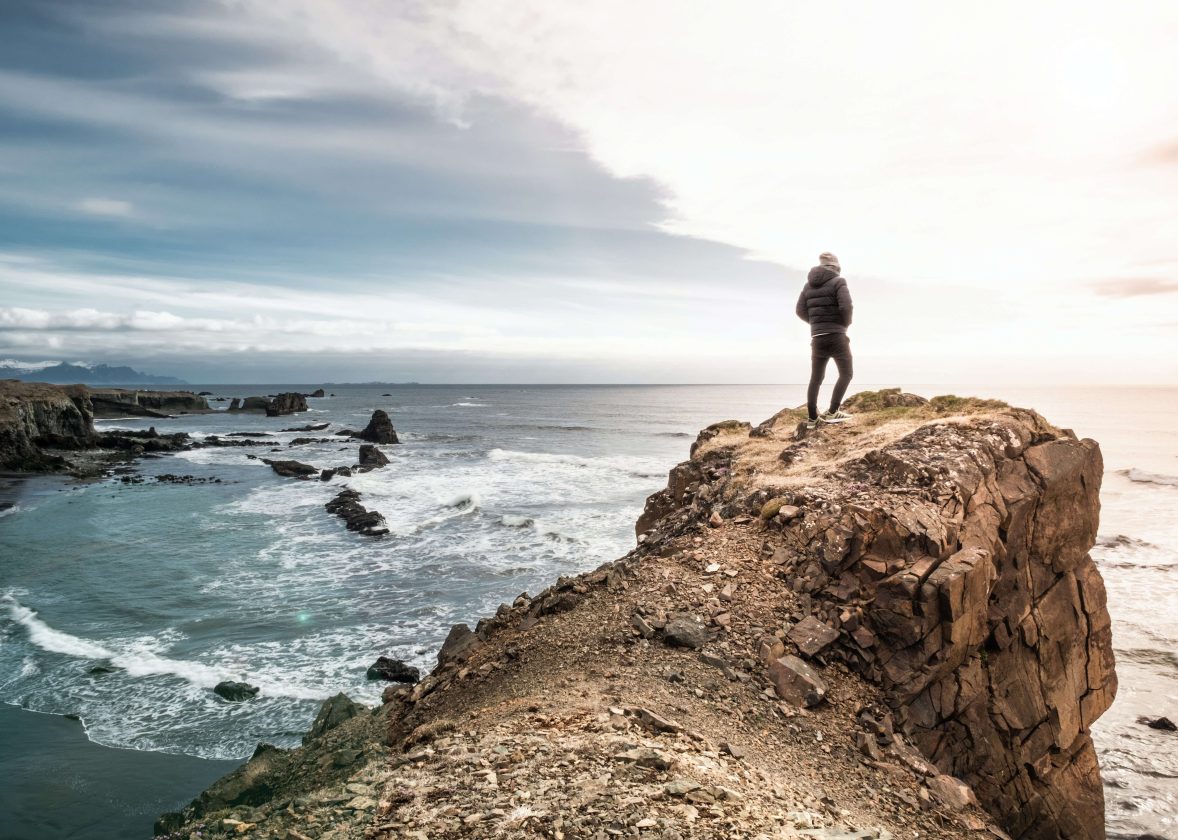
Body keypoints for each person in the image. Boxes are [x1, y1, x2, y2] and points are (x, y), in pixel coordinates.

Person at [795, 252, 853, 429]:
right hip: (836, 335)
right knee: (846, 373)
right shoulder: (839, 281)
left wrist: (816, 324)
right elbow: (846, 306)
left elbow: (799, 310)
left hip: (817, 337)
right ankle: (833, 411)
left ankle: (813, 418)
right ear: (836, 267)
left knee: (816, 378)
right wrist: (845, 323)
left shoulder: (808, 286)